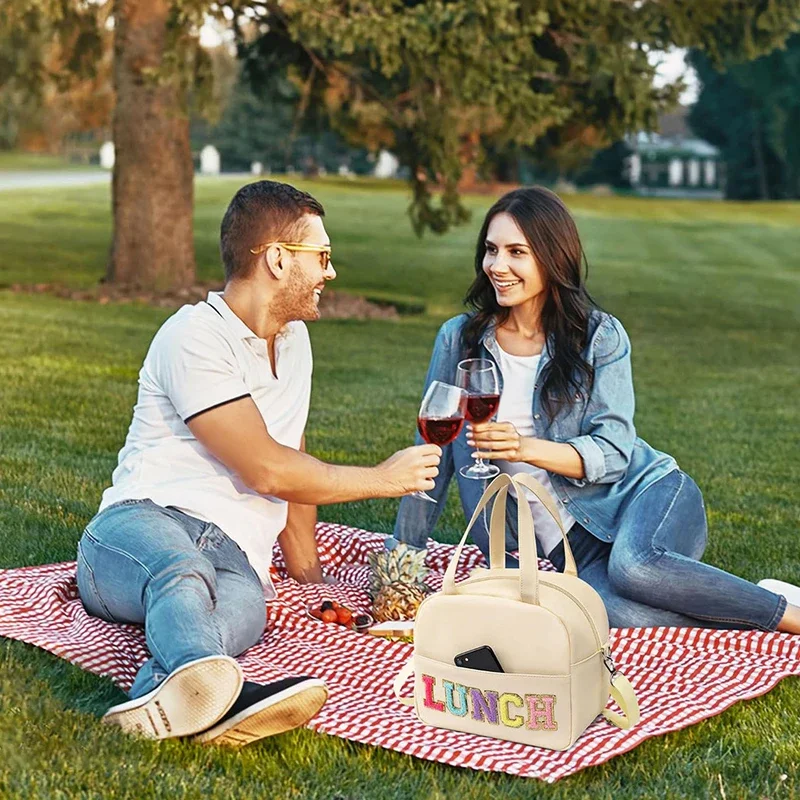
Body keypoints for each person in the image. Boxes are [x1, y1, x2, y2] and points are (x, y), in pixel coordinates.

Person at [77, 180, 441, 746]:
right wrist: (382, 480)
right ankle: (230, 695)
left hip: (237, 559)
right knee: (182, 573)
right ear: (276, 259)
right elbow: (266, 470)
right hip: (138, 527)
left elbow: (290, 461)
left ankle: (163, 699)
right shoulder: (194, 335)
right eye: (321, 256)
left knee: (239, 618)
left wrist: (307, 574)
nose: (331, 271)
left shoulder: (294, 341)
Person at [390, 186, 800, 635]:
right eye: (491, 250)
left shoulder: (598, 337)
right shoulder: (459, 338)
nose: (497, 266)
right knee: (607, 616)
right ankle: (744, 603)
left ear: (551, 257)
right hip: (573, 548)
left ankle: (789, 614)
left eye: (516, 252)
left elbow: (614, 451)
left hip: (645, 497)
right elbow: (430, 453)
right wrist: (403, 564)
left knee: (634, 567)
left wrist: (526, 448)